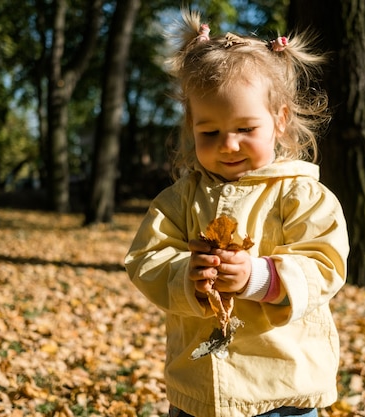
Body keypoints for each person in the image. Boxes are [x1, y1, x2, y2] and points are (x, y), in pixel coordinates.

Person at [124, 10, 349, 417]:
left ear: (279, 121)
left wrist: (260, 277)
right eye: (210, 132)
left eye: (245, 129)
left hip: (283, 388)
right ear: (191, 125)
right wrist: (185, 276)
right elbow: (146, 258)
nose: (228, 145)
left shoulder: (301, 194)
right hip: (199, 390)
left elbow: (324, 263)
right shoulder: (180, 199)